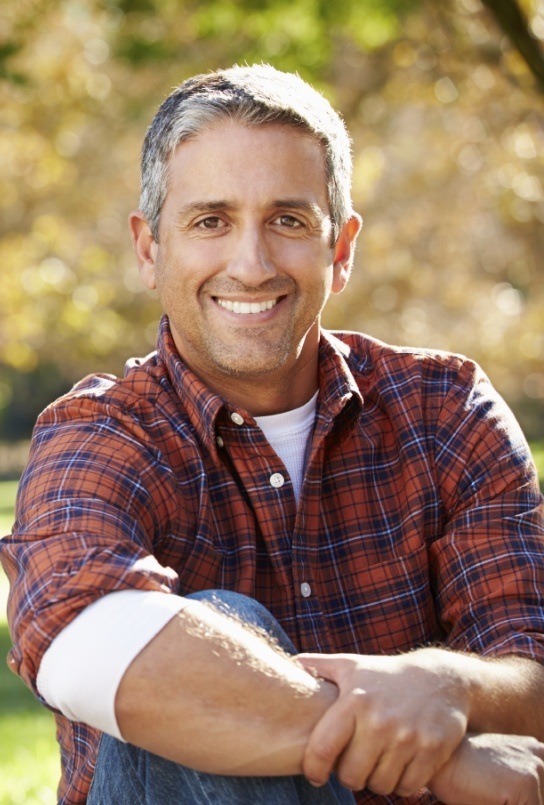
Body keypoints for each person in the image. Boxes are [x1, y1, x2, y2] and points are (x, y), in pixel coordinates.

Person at [1, 63, 544, 805]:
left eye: (288, 220)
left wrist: (447, 681)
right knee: (218, 631)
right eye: (210, 221)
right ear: (150, 248)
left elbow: (532, 665)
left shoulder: (446, 413)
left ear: (341, 248)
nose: (251, 265)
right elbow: (85, 640)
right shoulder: (101, 433)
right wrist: (428, 755)